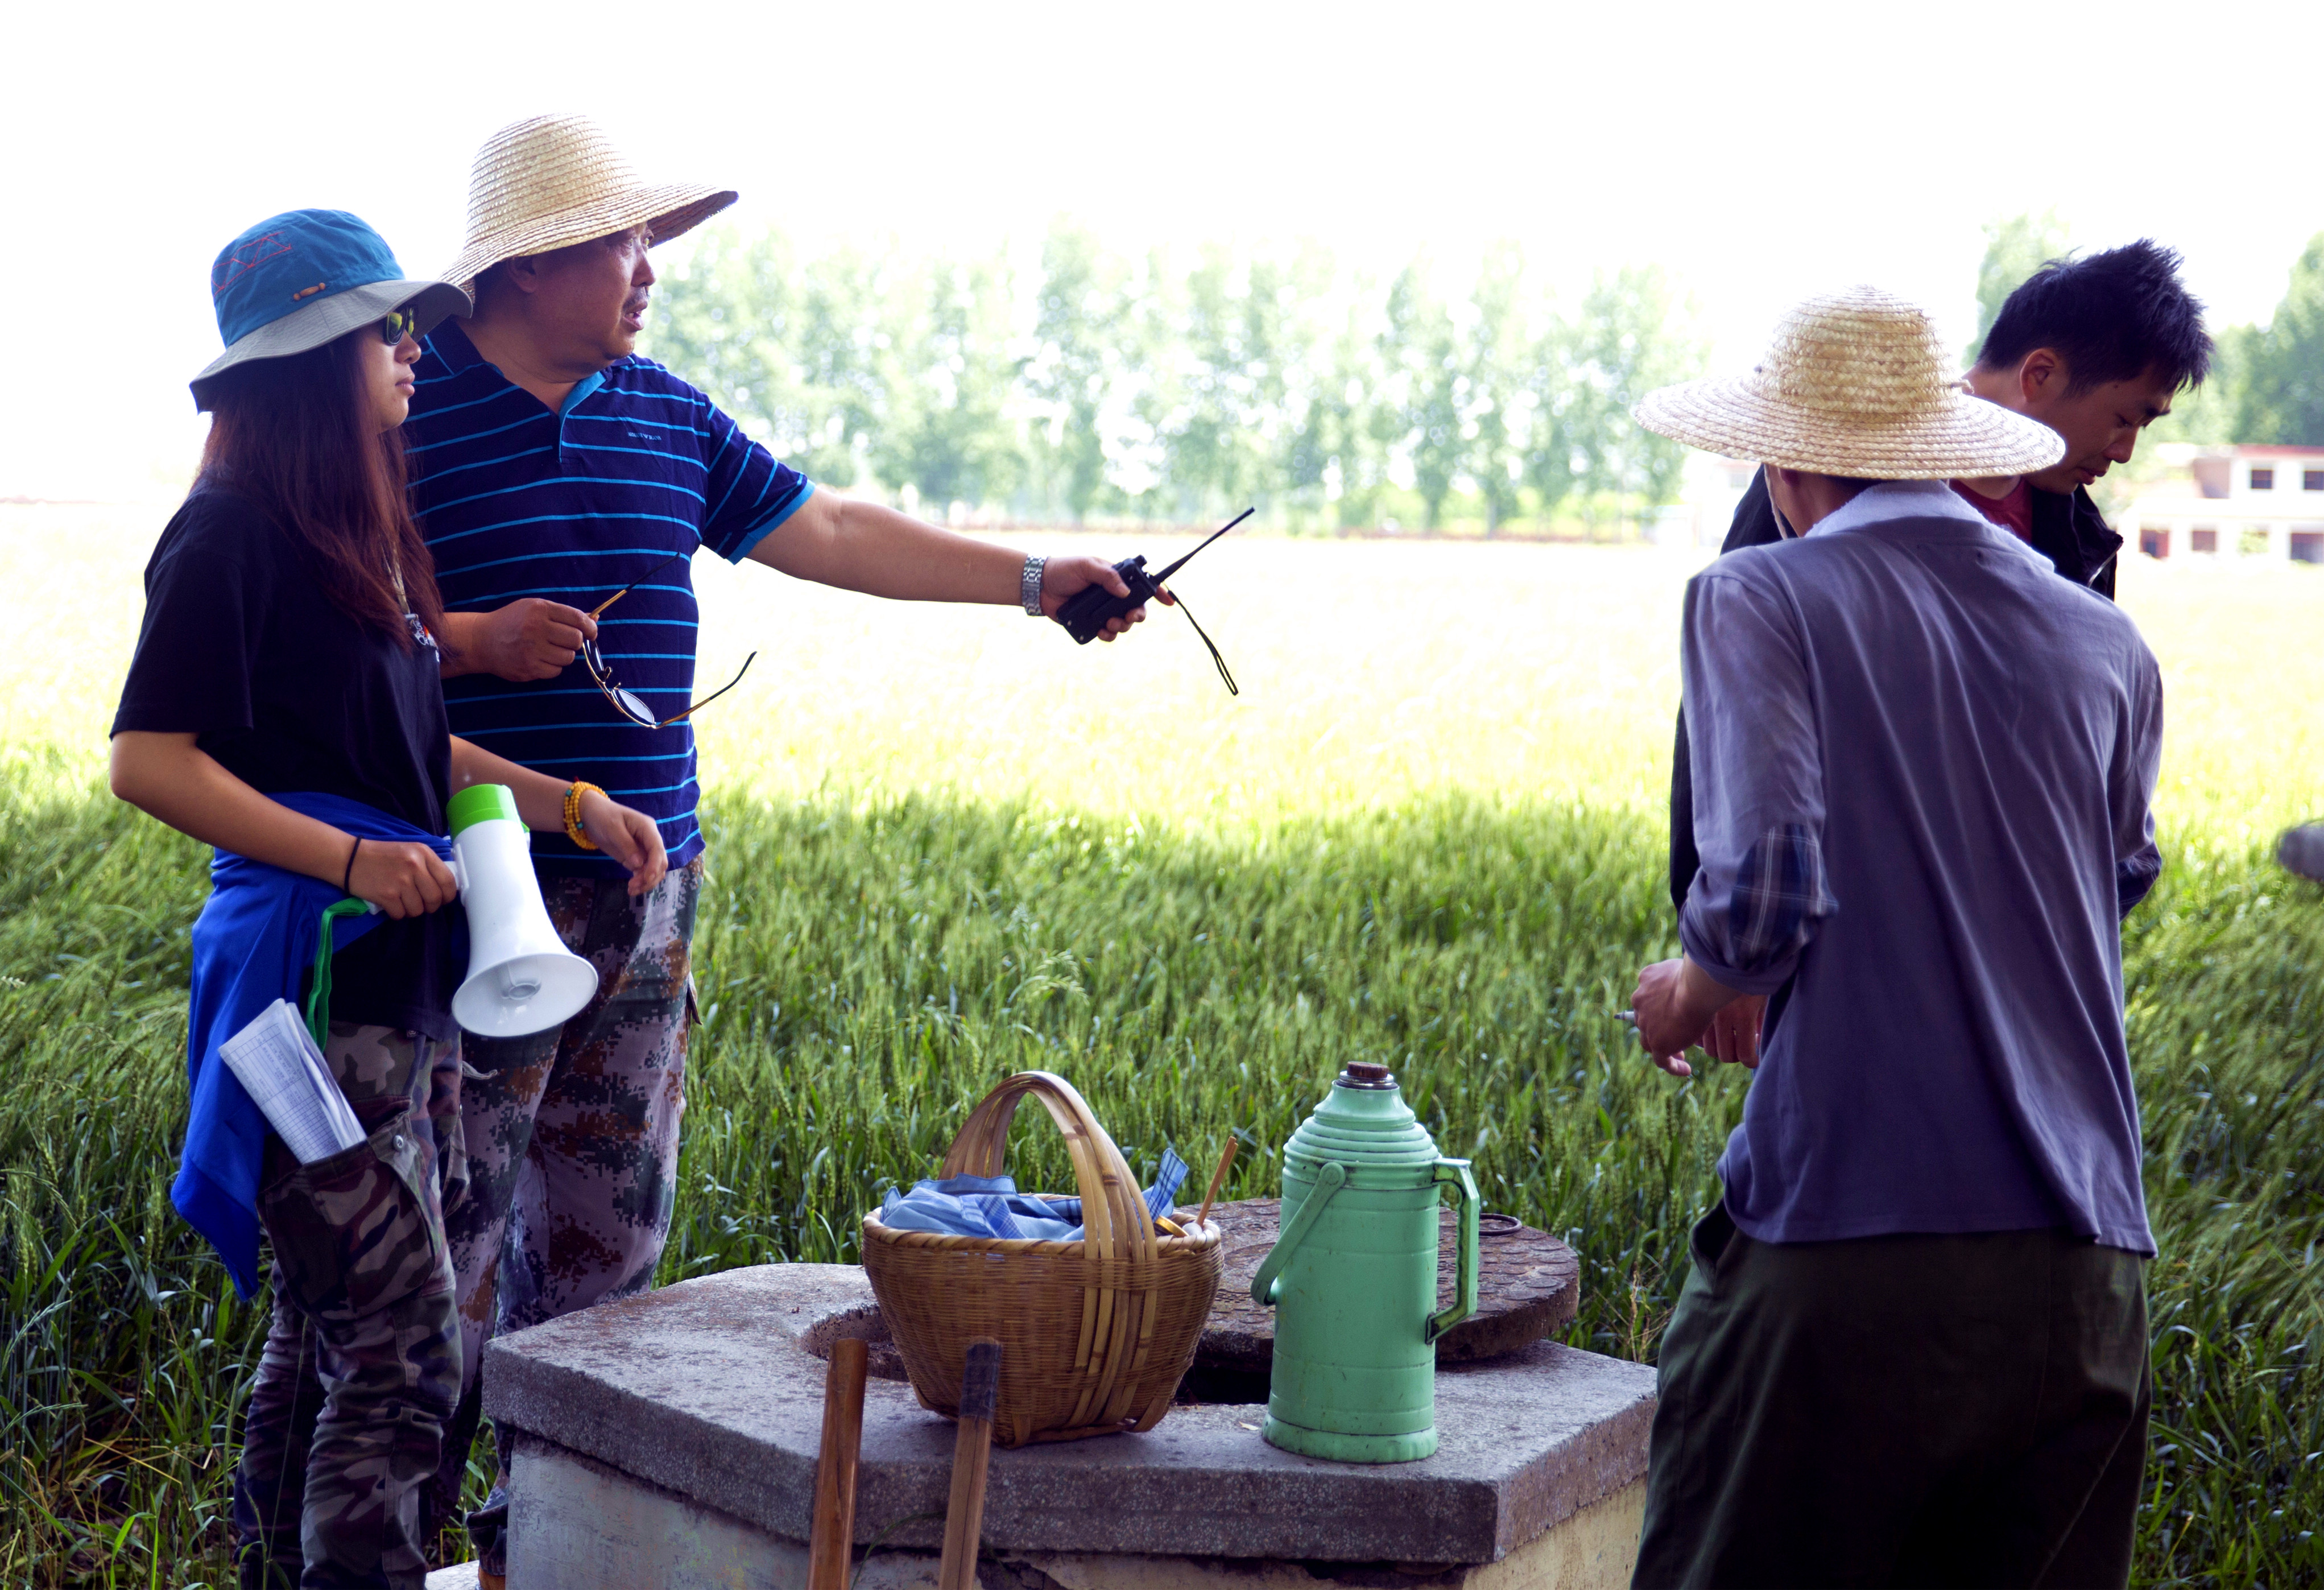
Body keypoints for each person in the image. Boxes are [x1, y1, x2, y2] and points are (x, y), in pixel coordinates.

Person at [402, 115, 1161, 1571]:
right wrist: (468, 647)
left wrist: (1030, 578)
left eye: (647, 244)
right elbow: (334, 642)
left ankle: (544, 1545)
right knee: (449, 1241)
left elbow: (835, 533)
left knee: (608, 1253)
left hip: (648, 891)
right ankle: (395, 1544)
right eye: (622, 244)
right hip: (472, 893)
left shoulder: (665, 413)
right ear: (525, 263)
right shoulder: (406, 414)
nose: (648, 273)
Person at [109, 209, 666, 1589]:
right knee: (408, 1332)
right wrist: (348, 861)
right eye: (383, 329)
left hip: (388, 983)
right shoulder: (229, 535)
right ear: (310, 363)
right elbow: (147, 760)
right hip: (306, 980)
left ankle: (276, 1570)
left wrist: (572, 805)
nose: (414, 346)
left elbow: (418, 752)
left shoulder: (357, 539)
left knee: (332, 1324)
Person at [1625, 286, 2166, 1587]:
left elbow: (1761, 895)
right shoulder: (2108, 640)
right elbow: (2120, 872)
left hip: (1849, 1256)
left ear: (1785, 462)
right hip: (2089, 1271)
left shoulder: (1756, 594)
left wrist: (1690, 992)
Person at [1666, 241, 2211, 1070]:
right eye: (2126, 414)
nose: (2125, 448)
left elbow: (2104, 834)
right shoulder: (1814, 483)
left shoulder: (2072, 535)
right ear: (2037, 375)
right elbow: (1731, 733)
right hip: (1830, 948)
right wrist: (1724, 958)